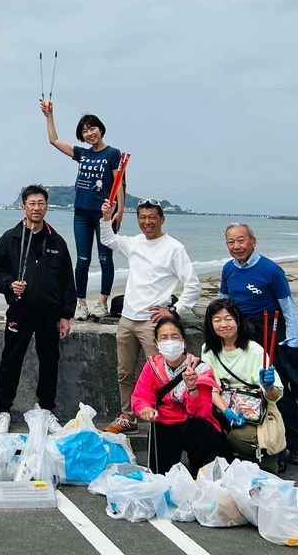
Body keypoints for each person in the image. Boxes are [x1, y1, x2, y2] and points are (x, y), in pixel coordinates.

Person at [99, 198, 201, 434]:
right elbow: (107, 239)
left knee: (161, 374)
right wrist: (106, 218)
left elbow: (193, 285)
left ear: (162, 220)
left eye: (152, 217)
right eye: (142, 218)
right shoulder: (135, 243)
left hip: (154, 323)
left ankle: (164, 418)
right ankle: (128, 417)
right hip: (127, 319)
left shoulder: (174, 248)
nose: (147, 222)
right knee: (124, 372)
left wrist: (174, 310)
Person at [217, 223, 298, 472]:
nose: (236, 246)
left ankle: (297, 445)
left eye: (241, 240)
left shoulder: (270, 270)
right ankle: (265, 443)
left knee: (278, 391)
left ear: (253, 241)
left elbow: (288, 306)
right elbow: (222, 301)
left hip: (270, 333)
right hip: (242, 334)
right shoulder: (228, 269)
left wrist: (292, 340)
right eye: (230, 242)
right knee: (249, 389)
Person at [0, 186, 74, 434]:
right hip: (20, 311)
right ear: (23, 206)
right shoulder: (10, 238)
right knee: (11, 359)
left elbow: (67, 280)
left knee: (49, 361)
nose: (36, 208)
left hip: (49, 312)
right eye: (32, 203)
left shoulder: (56, 241)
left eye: (41, 203)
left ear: (46, 206)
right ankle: (4, 409)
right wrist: (9, 284)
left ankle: (46, 410)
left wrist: (65, 314)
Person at [39, 102, 124, 320]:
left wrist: (119, 210)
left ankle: (103, 301)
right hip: (81, 214)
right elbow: (53, 140)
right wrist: (50, 116)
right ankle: (81, 303)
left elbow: (119, 182)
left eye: (92, 128)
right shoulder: (82, 154)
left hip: (104, 214)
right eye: (84, 131)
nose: (89, 133)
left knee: (105, 259)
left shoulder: (112, 153)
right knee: (83, 260)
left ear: (101, 129)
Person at [200, 298, 283, 473]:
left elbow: (275, 396)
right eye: (217, 320)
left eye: (228, 318)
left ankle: (264, 459)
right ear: (210, 324)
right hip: (223, 408)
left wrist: (268, 386)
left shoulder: (255, 350)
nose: (223, 324)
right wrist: (226, 411)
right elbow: (210, 388)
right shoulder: (208, 350)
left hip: (255, 413)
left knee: (239, 437)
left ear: (238, 320)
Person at [131, 318, 220, 475]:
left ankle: (198, 463)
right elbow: (141, 395)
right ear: (156, 343)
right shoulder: (152, 365)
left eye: (175, 337)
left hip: (191, 424)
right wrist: (144, 408)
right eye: (164, 338)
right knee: (161, 474)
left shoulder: (200, 368)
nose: (170, 342)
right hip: (165, 423)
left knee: (198, 427)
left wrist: (192, 388)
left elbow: (202, 412)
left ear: (184, 342)